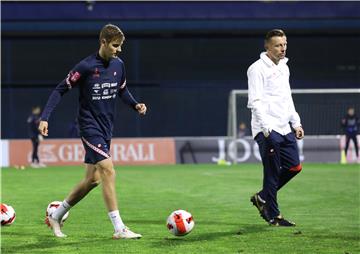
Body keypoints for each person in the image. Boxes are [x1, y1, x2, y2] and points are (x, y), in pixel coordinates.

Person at [38, 24, 147, 239]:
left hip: (107, 127)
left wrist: (135, 105)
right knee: (108, 171)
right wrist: (45, 117)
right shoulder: (86, 67)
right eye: (115, 45)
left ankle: (56, 215)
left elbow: (122, 90)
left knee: (93, 180)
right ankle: (119, 229)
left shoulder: (119, 65)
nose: (119, 50)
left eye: (121, 46)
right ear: (103, 42)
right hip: (89, 127)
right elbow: (60, 89)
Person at [247, 29, 304, 226]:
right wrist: (266, 129)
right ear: (267, 47)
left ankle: (262, 197)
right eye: (278, 45)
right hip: (267, 128)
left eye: (285, 44)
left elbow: (287, 97)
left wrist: (295, 122)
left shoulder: (284, 68)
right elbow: (254, 101)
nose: (283, 49)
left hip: (284, 126)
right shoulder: (256, 69)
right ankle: (274, 216)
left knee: (295, 166)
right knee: (271, 173)